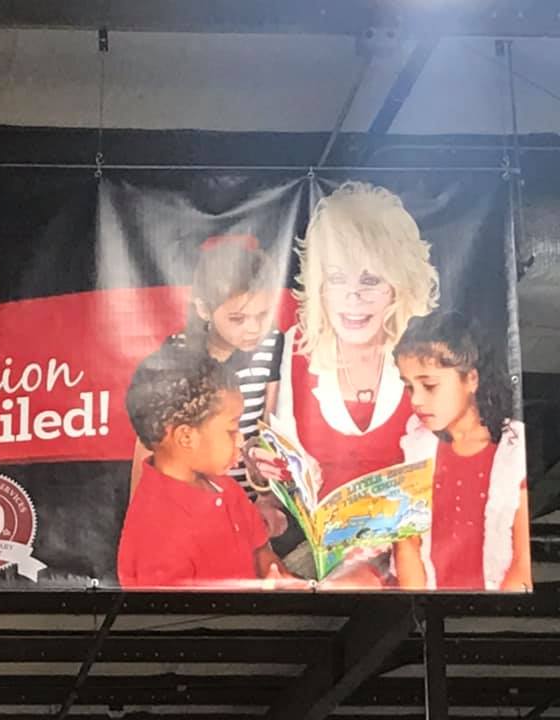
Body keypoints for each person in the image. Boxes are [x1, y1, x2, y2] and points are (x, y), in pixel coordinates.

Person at [247, 181, 440, 585]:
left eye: (370, 280)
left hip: (414, 554)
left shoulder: (428, 353)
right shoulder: (295, 348)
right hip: (321, 550)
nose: (352, 297)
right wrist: (262, 472)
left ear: (398, 284)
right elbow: (273, 463)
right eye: (336, 278)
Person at [129, 235, 286, 533]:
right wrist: (141, 520)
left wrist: (268, 499)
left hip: (247, 505)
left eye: (263, 315)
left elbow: (269, 429)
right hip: (188, 507)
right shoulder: (177, 354)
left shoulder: (271, 345)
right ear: (204, 309)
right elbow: (148, 444)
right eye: (237, 318)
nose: (253, 329)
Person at [117, 344, 298, 589]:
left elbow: (260, 549)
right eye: (231, 430)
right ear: (186, 437)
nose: (241, 440)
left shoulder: (225, 488)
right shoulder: (157, 536)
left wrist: (273, 572)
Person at [392, 312, 530, 590]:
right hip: (429, 605)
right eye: (409, 387)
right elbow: (407, 547)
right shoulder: (414, 449)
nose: (416, 399)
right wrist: (419, 605)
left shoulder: (513, 452)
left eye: (429, 386)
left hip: (497, 607)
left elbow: (523, 563)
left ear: (471, 379)